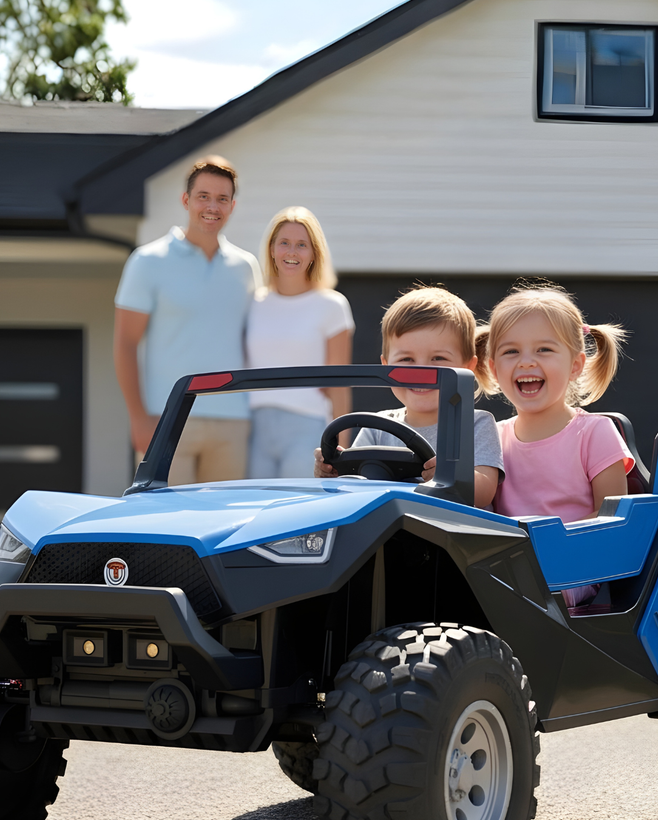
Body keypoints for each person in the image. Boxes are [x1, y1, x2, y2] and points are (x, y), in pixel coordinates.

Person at [113, 156, 261, 484]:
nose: (213, 206)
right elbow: (125, 345)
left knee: (227, 530)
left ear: (232, 206)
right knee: (166, 529)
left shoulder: (246, 267)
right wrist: (138, 419)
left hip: (233, 422)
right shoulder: (147, 261)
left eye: (222, 199)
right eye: (203, 196)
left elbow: (259, 340)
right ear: (186, 200)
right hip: (168, 419)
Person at [485, 284, 631, 605]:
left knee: (526, 593)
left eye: (544, 350)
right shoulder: (490, 438)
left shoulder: (595, 432)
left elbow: (611, 520)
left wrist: (549, 547)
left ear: (576, 365)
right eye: (511, 351)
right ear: (494, 368)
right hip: (505, 568)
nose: (525, 362)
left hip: (572, 571)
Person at [315, 287, 504, 509]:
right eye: (406, 359)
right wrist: (334, 472)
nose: (420, 373)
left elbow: (483, 495)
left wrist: (449, 478)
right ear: (386, 367)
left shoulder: (475, 425)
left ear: (467, 368)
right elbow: (355, 492)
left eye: (438, 358)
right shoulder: (376, 428)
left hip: (455, 538)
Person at [247, 207, 354, 477]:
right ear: (271, 249)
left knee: (298, 511)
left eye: (301, 245)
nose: (291, 252)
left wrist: (343, 449)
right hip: (255, 428)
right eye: (284, 243)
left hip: (307, 427)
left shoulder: (331, 305)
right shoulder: (253, 303)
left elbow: (339, 385)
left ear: (314, 253)